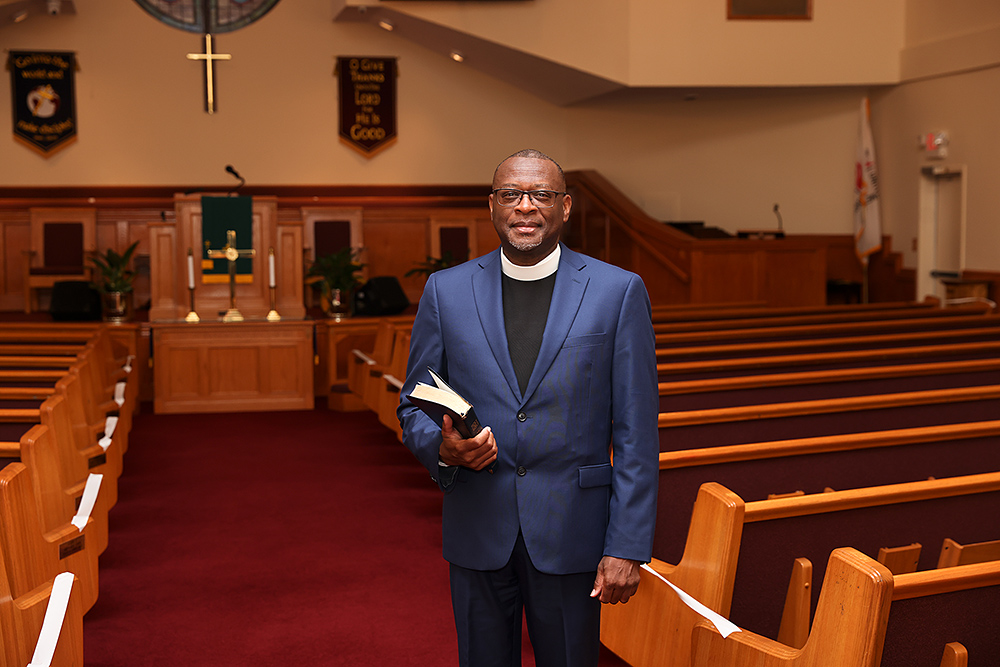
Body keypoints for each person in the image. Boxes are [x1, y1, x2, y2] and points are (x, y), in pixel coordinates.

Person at [397, 149, 659, 667]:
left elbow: (636, 431)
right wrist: (445, 450)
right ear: (492, 206)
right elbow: (413, 405)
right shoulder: (446, 291)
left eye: (540, 194)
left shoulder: (617, 291)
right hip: (478, 525)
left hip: (572, 529)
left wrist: (627, 544)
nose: (525, 207)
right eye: (511, 194)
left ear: (565, 207)